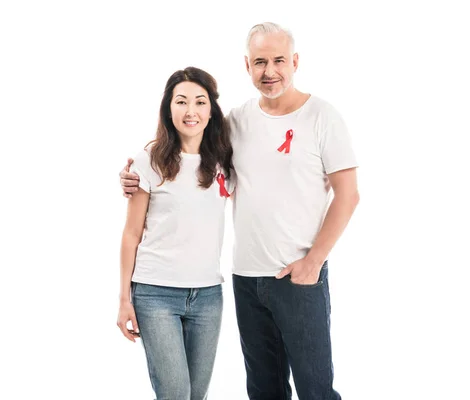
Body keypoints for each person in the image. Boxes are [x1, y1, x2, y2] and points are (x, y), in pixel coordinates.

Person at [120, 22, 359, 400]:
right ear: (247, 66)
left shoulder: (322, 117)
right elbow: (189, 152)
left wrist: (314, 261)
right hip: (246, 279)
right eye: (260, 62)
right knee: (263, 390)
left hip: (299, 276)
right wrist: (135, 175)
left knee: (315, 390)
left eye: (279, 60)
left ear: (295, 61)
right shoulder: (235, 123)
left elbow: (348, 196)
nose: (270, 71)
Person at [117, 66, 233, 400]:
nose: (191, 111)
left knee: (197, 395)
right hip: (155, 295)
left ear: (211, 111)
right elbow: (130, 235)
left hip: (208, 296)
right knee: (175, 393)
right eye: (181, 101)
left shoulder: (225, 161)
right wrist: (124, 299)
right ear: (169, 108)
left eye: (200, 102)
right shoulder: (149, 162)